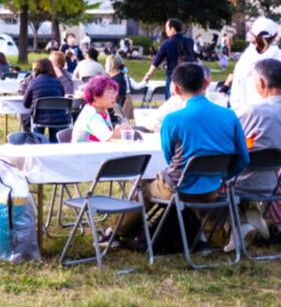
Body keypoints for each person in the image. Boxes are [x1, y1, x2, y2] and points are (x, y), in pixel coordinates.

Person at [114, 63, 249, 242]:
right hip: (213, 186)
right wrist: (221, 178)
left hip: (179, 186)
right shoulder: (229, 115)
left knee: (142, 188)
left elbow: (169, 157)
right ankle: (223, 228)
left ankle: (116, 232)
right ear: (206, 84)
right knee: (192, 188)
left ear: (176, 89)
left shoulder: (172, 120)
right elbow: (243, 158)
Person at [233, 58, 281, 243]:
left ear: (260, 82)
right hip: (274, 180)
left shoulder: (253, 112)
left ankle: (239, 222)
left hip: (245, 181)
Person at [226, 16, 281, 112]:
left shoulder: (244, 60)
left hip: (246, 116)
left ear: (253, 36)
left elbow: (235, 96)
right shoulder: (278, 57)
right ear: (275, 37)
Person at [141, 18, 197, 100]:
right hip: (188, 76)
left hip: (173, 76)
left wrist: (148, 74)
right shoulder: (189, 41)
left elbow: (157, 61)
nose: (166, 30)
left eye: (167, 28)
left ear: (172, 29)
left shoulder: (167, 43)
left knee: (171, 101)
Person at [72, 75, 132, 142]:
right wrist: (120, 130)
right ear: (95, 95)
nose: (113, 97)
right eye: (109, 93)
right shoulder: (93, 114)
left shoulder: (102, 110)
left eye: (114, 93)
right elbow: (108, 141)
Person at [21, 58, 68, 141]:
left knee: (38, 134)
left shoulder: (33, 82)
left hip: (39, 117)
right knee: (54, 132)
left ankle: (39, 143)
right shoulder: (58, 82)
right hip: (57, 117)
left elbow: (25, 104)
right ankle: (54, 143)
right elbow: (62, 96)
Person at [106, 54, 132, 119]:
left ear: (112, 65)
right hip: (117, 113)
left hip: (110, 115)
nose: (105, 65)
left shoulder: (111, 82)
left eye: (106, 63)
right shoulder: (122, 79)